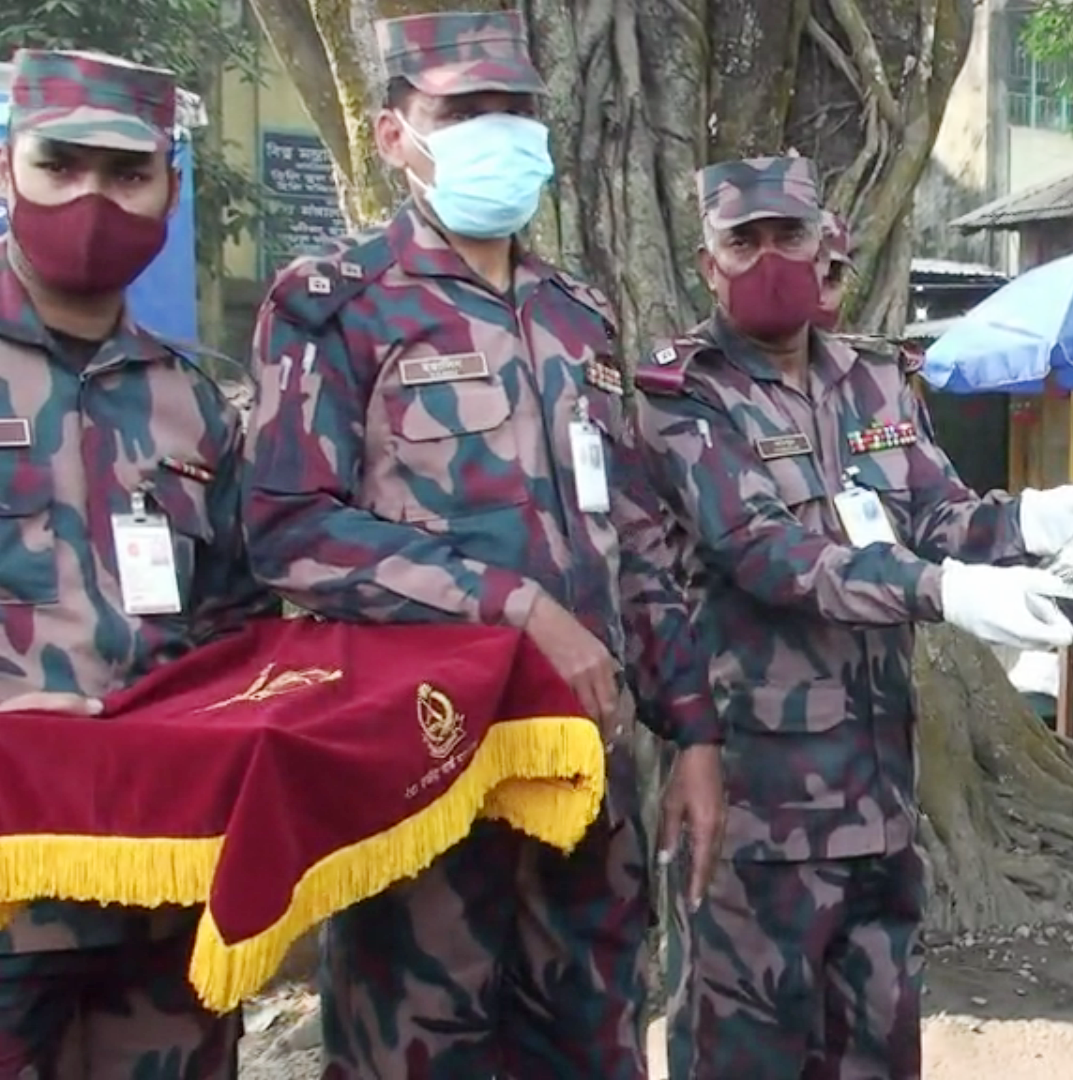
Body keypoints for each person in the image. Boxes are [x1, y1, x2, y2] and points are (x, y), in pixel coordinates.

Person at [240, 12, 724, 1075]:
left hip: (586, 782)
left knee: (595, 1047)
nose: (498, 131)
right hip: (422, 783)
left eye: (518, 109)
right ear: (393, 133)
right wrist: (512, 602)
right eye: (464, 109)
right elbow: (289, 528)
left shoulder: (580, 316)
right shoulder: (336, 303)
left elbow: (635, 538)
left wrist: (693, 733)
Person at [636, 154, 1073, 1079]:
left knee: (879, 1058)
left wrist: (1035, 519)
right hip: (757, 815)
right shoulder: (682, 396)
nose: (770, 256)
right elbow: (764, 550)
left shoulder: (876, 381)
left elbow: (939, 513)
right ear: (709, 262)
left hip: (882, 803)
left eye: (790, 235)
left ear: (824, 248)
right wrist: (943, 591)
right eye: (745, 240)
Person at [0, 49, 272, 1076]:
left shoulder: (194, 404)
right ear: (5, 173)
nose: (92, 198)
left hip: (161, 886)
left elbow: (241, 626)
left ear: (168, 190)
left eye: (127, 175)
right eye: (60, 165)